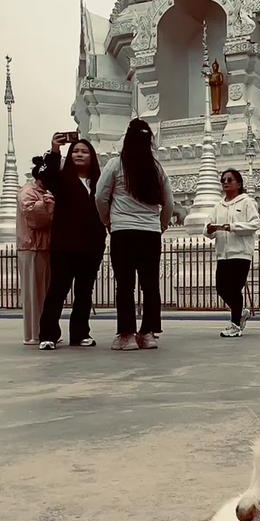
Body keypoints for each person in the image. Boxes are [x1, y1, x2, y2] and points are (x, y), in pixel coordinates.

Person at [96, 118, 174, 350]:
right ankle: (148, 333)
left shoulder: (116, 164)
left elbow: (100, 196)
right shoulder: (156, 167)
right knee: (150, 285)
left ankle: (127, 335)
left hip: (123, 231)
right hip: (149, 232)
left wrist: (107, 220)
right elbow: (168, 202)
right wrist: (160, 224)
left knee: (125, 285)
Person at [37, 138, 106, 350]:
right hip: (65, 245)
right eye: (75, 151)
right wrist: (55, 150)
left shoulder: (99, 181)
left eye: (84, 151)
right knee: (58, 290)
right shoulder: (62, 179)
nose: (79, 154)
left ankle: (80, 333)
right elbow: (44, 176)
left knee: (84, 292)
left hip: (91, 245)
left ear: (91, 156)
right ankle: (48, 335)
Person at [206, 168, 260, 338]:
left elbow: (255, 224)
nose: (226, 183)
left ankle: (235, 325)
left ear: (239, 183)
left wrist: (234, 227)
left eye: (230, 180)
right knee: (222, 288)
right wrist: (209, 229)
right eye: (223, 180)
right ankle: (240, 312)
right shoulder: (218, 206)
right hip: (223, 254)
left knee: (235, 288)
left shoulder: (246, 202)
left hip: (240, 253)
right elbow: (209, 227)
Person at [16, 142, 59, 344]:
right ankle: (34, 333)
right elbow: (32, 216)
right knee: (34, 295)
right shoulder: (28, 191)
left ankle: (48, 331)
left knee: (47, 294)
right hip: (31, 248)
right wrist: (47, 205)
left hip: (46, 248)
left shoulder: (46, 191)